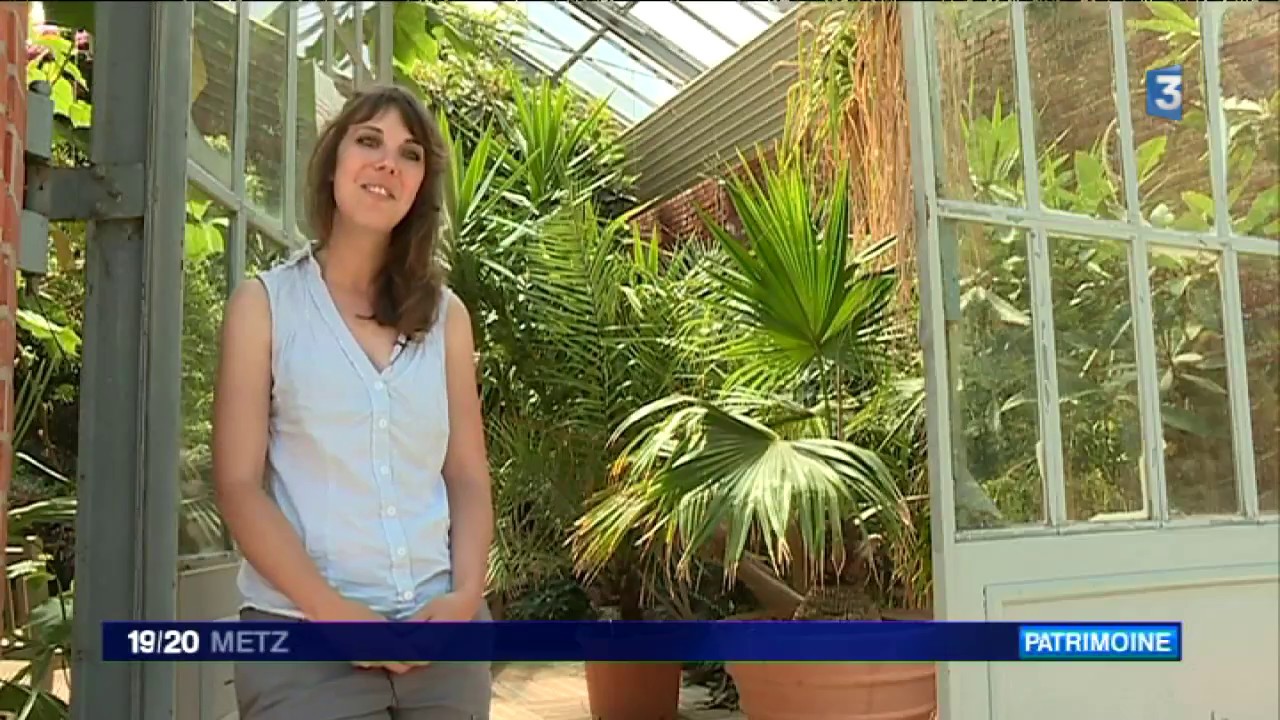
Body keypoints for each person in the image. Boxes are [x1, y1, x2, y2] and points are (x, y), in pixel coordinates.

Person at [212, 84, 494, 720]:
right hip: (305, 640)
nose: (388, 163)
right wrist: (334, 612)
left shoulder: (448, 320)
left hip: (441, 636)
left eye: (410, 153)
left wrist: (465, 597)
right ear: (334, 161)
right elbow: (237, 484)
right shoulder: (264, 307)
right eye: (369, 141)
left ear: (422, 185)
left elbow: (468, 477)